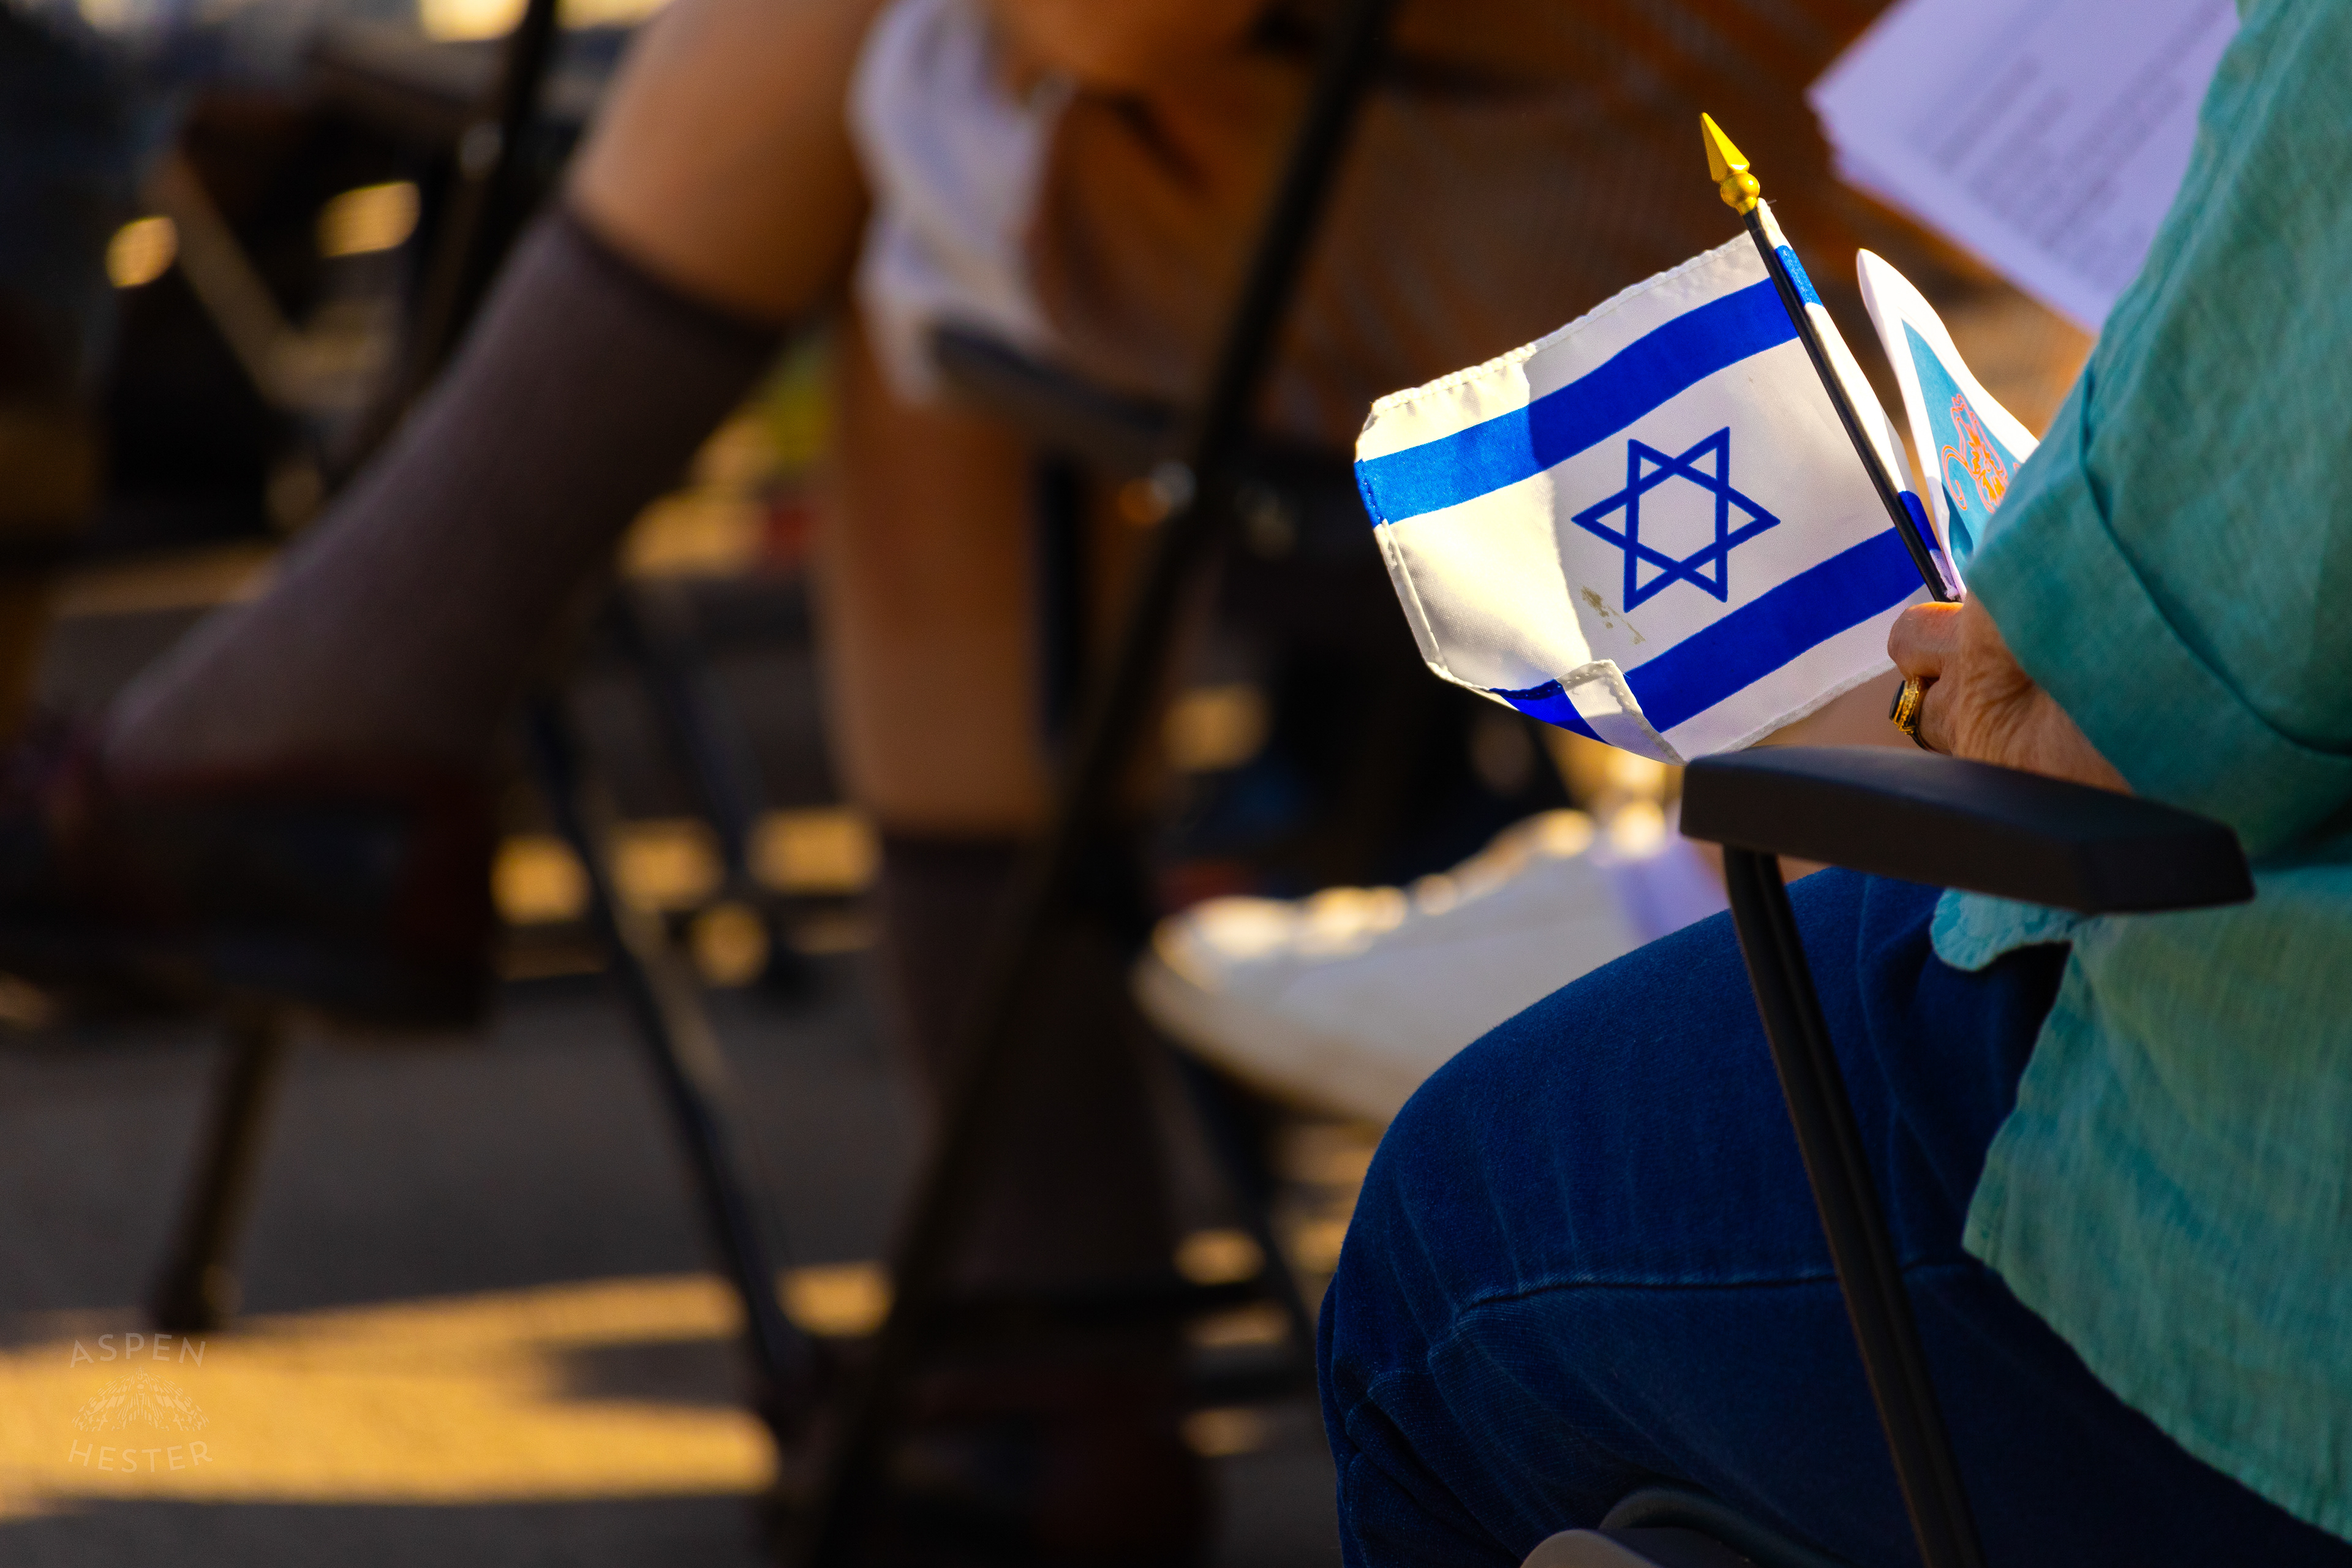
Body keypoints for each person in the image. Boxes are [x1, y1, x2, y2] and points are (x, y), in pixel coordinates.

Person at [0, 0, 2066, 1557]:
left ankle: (1027, 1309)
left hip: (1723, 263)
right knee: (953, 142)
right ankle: (323, 740)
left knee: (935, 155)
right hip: (1946, 190)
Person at [1318, 3, 2352, 1564]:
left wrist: (1962, 700)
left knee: (1447, 1237)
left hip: (2284, 1239)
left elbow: (2125, 732)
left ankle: (1621, 895)